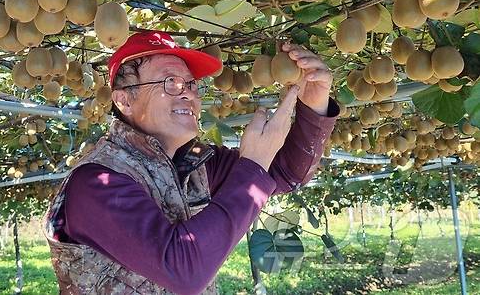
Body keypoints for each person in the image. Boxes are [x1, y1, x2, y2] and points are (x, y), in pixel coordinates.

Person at [43, 31, 339, 294]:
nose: (187, 92)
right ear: (124, 101)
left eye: (191, 84)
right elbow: (183, 271)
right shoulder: (97, 182)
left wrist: (314, 101)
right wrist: (253, 165)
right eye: (170, 82)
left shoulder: (196, 163)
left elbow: (284, 174)